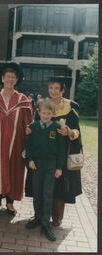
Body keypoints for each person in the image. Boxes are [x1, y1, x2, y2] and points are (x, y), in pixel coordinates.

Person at [28, 76, 82, 226]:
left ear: (63, 90)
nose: (53, 91)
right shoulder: (44, 105)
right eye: (51, 88)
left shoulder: (71, 106)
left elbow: (78, 131)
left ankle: (56, 216)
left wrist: (70, 133)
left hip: (63, 151)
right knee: (41, 185)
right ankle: (39, 215)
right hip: (43, 151)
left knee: (60, 183)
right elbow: (35, 125)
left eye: (57, 88)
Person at [0, 62, 33, 215]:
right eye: (8, 76)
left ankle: (10, 202)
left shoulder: (23, 100)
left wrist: (29, 145)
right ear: (2, 78)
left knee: (15, 170)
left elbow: (29, 124)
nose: (10, 79)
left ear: (16, 80)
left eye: (13, 77)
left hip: (17, 144)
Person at [25, 98, 65, 241]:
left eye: (49, 113)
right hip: (36, 165)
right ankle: (37, 218)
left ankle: (46, 224)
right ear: (38, 112)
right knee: (37, 193)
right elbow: (28, 146)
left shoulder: (56, 128)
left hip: (51, 165)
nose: (46, 116)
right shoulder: (33, 127)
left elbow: (61, 149)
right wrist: (29, 159)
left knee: (47, 194)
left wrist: (59, 167)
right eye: (43, 113)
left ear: (53, 114)